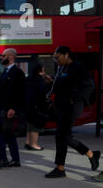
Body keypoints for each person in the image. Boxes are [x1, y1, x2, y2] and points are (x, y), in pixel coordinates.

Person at [45, 46, 100, 178]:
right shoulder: (61, 68)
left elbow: (90, 86)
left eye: (57, 57)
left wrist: (74, 98)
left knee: (64, 136)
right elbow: (63, 86)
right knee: (60, 136)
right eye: (54, 58)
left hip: (73, 105)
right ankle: (60, 168)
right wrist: (51, 82)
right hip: (61, 106)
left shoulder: (78, 67)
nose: (56, 60)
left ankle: (91, 154)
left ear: (66, 55)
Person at [0, 48, 26, 170]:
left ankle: (3, 159)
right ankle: (15, 160)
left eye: (3, 56)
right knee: (9, 135)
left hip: (7, 110)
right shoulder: (4, 72)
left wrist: (13, 108)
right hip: (0, 110)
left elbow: (19, 93)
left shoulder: (17, 72)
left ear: (11, 57)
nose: (2, 58)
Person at [24, 64, 49, 151]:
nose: (44, 72)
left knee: (29, 125)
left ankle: (28, 142)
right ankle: (34, 145)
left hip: (28, 107)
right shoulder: (40, 81)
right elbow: (42, 94)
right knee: (36, 126)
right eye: (43, 70)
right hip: (37, 107)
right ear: (40, 71)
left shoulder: (27, 79)